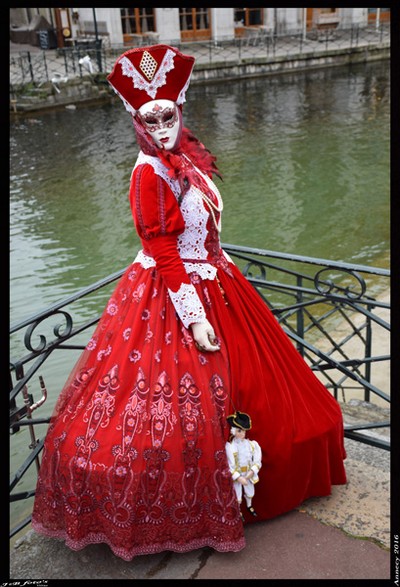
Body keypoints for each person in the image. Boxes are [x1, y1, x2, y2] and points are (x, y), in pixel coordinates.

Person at [31, 44, 346, 561]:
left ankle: (253, 482)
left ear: (180, 113)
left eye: (168, 116)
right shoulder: (148, 173)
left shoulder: (186, 161)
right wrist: (195, 319)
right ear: (136, 120)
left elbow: (204, 234)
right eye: (149, 119)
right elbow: (162, 250)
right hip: (170, 297)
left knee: (280, 406)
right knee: (167, 420)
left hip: (220, 282)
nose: (160, 127)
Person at [225, 411, 262, 521]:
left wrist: (253, 470)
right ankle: (239, 510)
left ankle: (249, 506)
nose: (242, 434)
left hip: (248, 472)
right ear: (234, 431)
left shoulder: (252, 445)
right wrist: (238, 477)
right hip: (238, 474)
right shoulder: (230, 447)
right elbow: (230, 465)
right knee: (237, 494)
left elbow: (257, 459)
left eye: (244, 431)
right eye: (239, 431)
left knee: (250, 491)